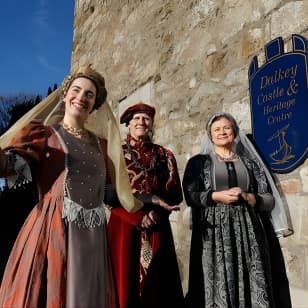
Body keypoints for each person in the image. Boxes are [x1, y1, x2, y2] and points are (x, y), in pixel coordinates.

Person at [0, 66, 142, 307]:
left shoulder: (103, 145)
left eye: (89, 94)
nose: (82, 97)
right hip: (53, 229)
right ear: (65, 95)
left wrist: (147, 201)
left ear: (96, 104)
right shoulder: (44, 135)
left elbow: (111, 192)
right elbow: (12, 165)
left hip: (94, 239)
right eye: (76, 90)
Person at [182, 112, 292, 308]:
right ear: (210, 135)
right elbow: (190, 195)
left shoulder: (251, 164)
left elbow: (268, 200)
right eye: (217, 129)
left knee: (252, 274)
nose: (222, 132)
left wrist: (250, 197)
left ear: (235, 131)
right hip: (215, 232)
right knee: (219, 277)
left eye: (227, 128)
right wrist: (216, 196)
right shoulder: (198, 163)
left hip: (249, 231)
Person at [107, 103, 184, 308]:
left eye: (146, 118)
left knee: (159, 284)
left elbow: (175, 193)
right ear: (128, 123)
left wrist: (158, 212)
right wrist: (136, 215)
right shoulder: (115, 153)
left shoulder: (164, 155)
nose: (141, 122)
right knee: (124, 280)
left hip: (157, 224)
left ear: (151, 124)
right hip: (125, 223)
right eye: (137, 118)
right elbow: (107, 192)